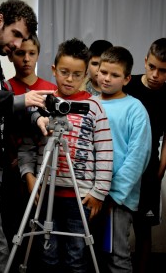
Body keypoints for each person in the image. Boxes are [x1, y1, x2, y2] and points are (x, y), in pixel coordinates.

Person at [0, 0, 54, 273]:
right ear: (0, 20)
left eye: (24, 39)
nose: (18, 45)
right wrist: (21, 100)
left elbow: (3, 103)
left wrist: (35, 116)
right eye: (17, 34)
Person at [22, 38, 113, 273]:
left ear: (86, 75)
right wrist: (29, 175)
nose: (70, 79)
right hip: (46, 192)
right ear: (54, 70)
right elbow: (29, 144)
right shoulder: (42, 103)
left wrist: (98, 192)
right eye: (64, 72)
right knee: (47, 254)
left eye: (77, 74)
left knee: (76, 254)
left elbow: (104, 151)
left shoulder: (95, 107)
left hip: (80, 195)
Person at [96, 46, 152, 273]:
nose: (107, 79)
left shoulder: (135, 108)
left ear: (127, 78)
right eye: (103, 72)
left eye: (115, 75)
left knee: (117, 257)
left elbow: (138, 156)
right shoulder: (89, 103)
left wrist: (113, 195)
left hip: (117, 200)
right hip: (90, 196)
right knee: (89, 254)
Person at [1, 34, 57, 251]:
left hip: (44, 168)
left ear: (38, 56)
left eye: (31, 53)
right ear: (11, 56)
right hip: (11, 170)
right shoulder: (5, 89)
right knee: (13, 226)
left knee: (41, 227)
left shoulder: (50, 89)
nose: (26, 59)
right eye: (20, 53)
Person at [123, 38, 166, 273]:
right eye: (152, 67)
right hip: (124, 169)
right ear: (145, 61)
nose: (155, 75)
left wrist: (159, 171)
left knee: (144, 230)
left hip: (150, 173)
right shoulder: (129, 87)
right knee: (116, 227)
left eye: (163, 71)